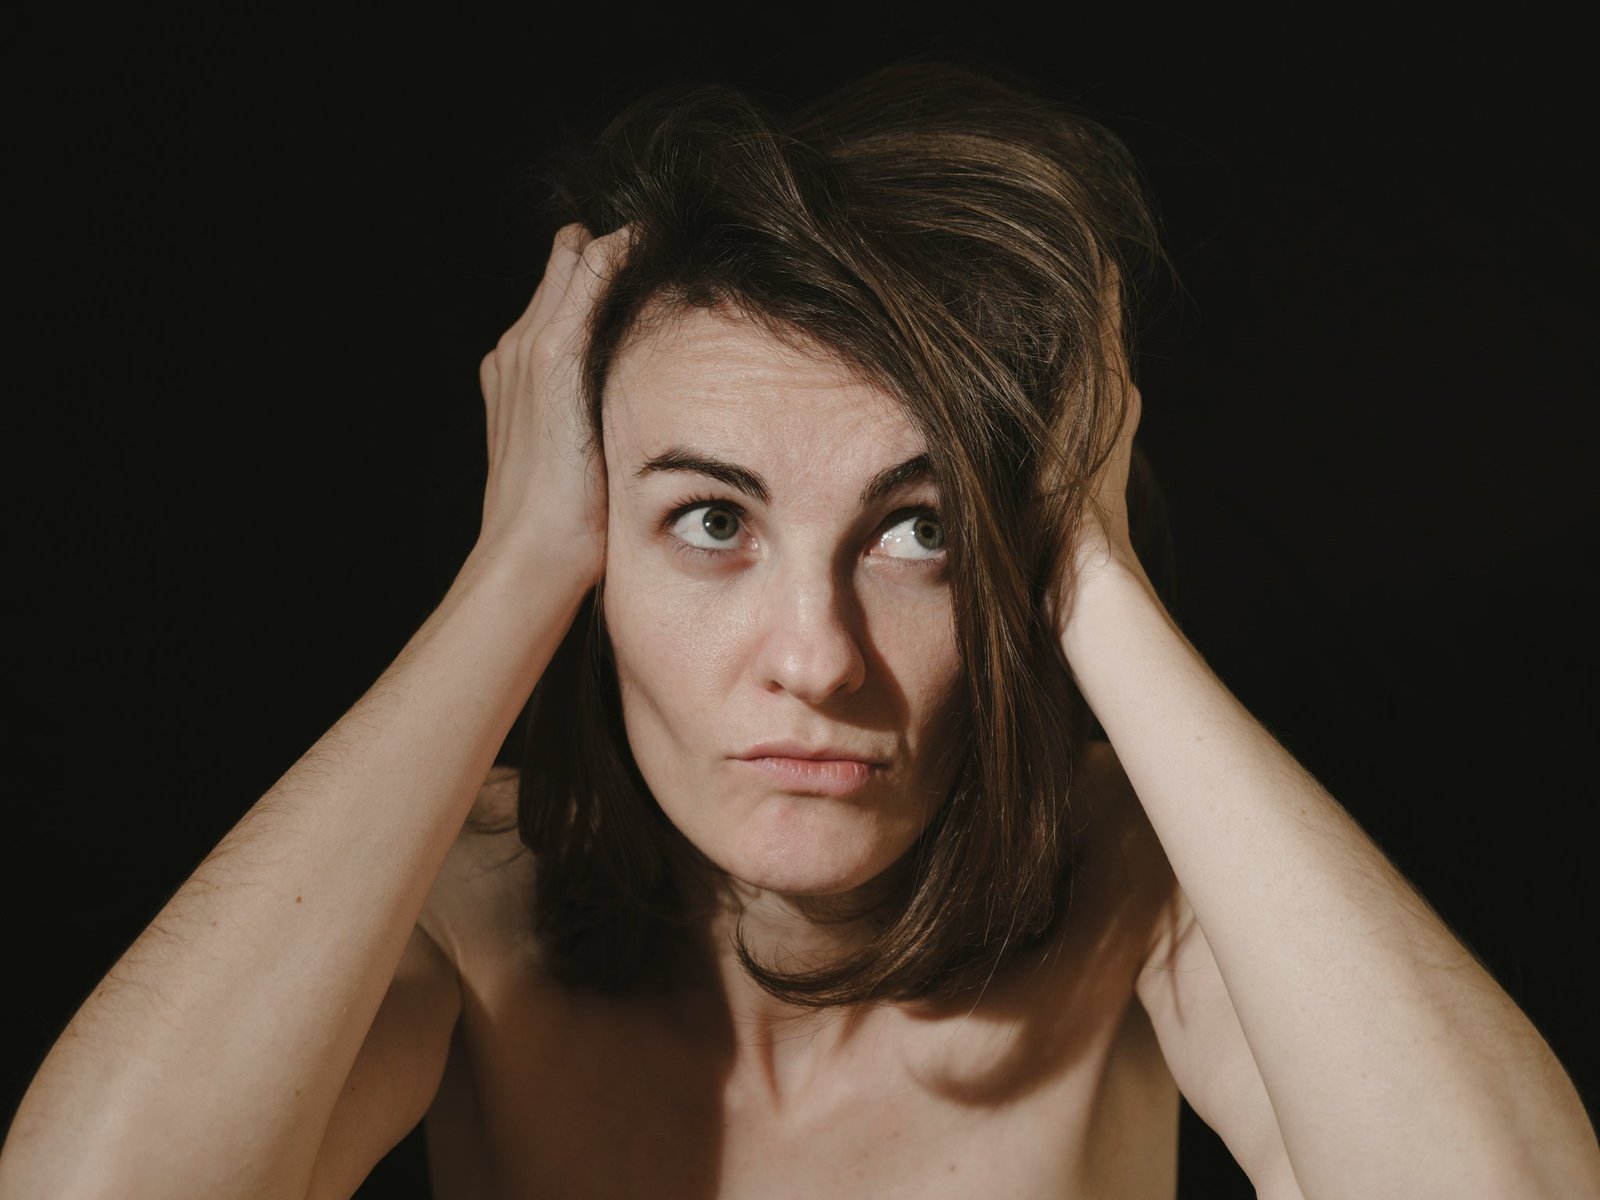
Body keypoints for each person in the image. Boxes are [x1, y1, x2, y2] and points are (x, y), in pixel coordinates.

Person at [2, 63, 1595, 1200]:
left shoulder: (1138, 888)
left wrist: (1089, 573)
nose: (815, 660)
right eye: (709, 520)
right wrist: (513, 570)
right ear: (591, 550)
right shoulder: (466, 904)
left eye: (921, 533)